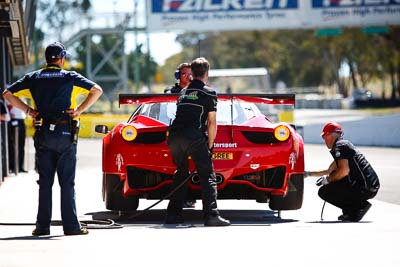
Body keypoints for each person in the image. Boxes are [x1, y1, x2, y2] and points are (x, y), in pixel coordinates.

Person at [2, 41, 103, 235]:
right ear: (62, 59)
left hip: (44, 134)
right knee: (67, 182)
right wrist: (79, 110)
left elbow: (7, 94)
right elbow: (97, 90)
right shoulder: (70, 77)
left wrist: (29, 110)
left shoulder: (34, 77)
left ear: (47, 59)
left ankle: (42, 227)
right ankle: (72, 227)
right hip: (66, 134)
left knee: (45, 182)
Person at [165, 57, 230, 226]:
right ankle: (211, 216)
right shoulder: (209, 92)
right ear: (207, 73)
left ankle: (173, 215)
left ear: (192, 73)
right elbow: (212, 122)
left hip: (174, 137)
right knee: (207, 175)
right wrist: (210, 146)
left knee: (181, 173)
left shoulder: (182, 92)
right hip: (193, 136)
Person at [305, 122, 380, 222]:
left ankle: (358, 208)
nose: (324, 140)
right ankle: (352, 211)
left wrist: (328, 180)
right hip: (369, 186)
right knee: (333, 178)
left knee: (325, 191)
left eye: (324, 136)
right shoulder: (343, 145)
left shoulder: (340, 146)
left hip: (365, 187)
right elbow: (329, 171)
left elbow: (344, 171)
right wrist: (308, 173)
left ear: (329, 135)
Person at [165, 62, 196, 208]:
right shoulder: (170, 92)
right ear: (178, 76)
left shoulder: (199, 91)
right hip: (175, 132)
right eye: (184, 73)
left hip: (194, 132)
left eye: (191, 73)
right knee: (181, 169)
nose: (188, 76)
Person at [7, 102, 27, 173]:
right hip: (13, 120)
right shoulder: (10, 95)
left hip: (22, 121)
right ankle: (12, 166)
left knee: (21, 145)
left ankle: (20, 167)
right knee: (12, 145)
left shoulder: (24, 96)